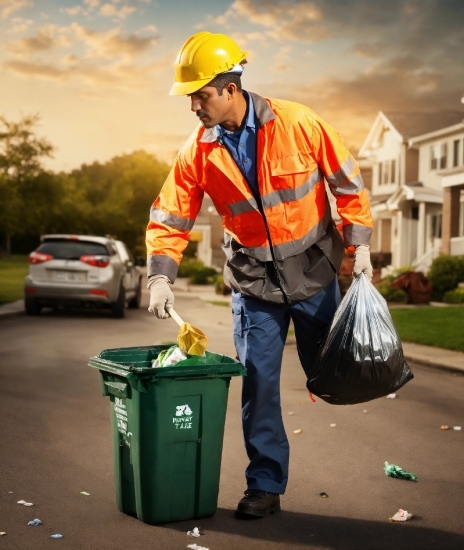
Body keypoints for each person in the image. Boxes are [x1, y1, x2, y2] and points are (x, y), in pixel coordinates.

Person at [146, 31, 373, 518]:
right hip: (255, 285)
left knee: (331, 372)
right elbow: (170, 216)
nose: (194, 107)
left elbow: (347, 183)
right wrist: (160, 275)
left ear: (230, 88)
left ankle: (351, 376)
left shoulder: (299, 123)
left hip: (315, 274)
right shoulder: (198, 152)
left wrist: (360, 245)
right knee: (259, 384)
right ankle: (265, 485)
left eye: (201, 95)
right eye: (190, 97)